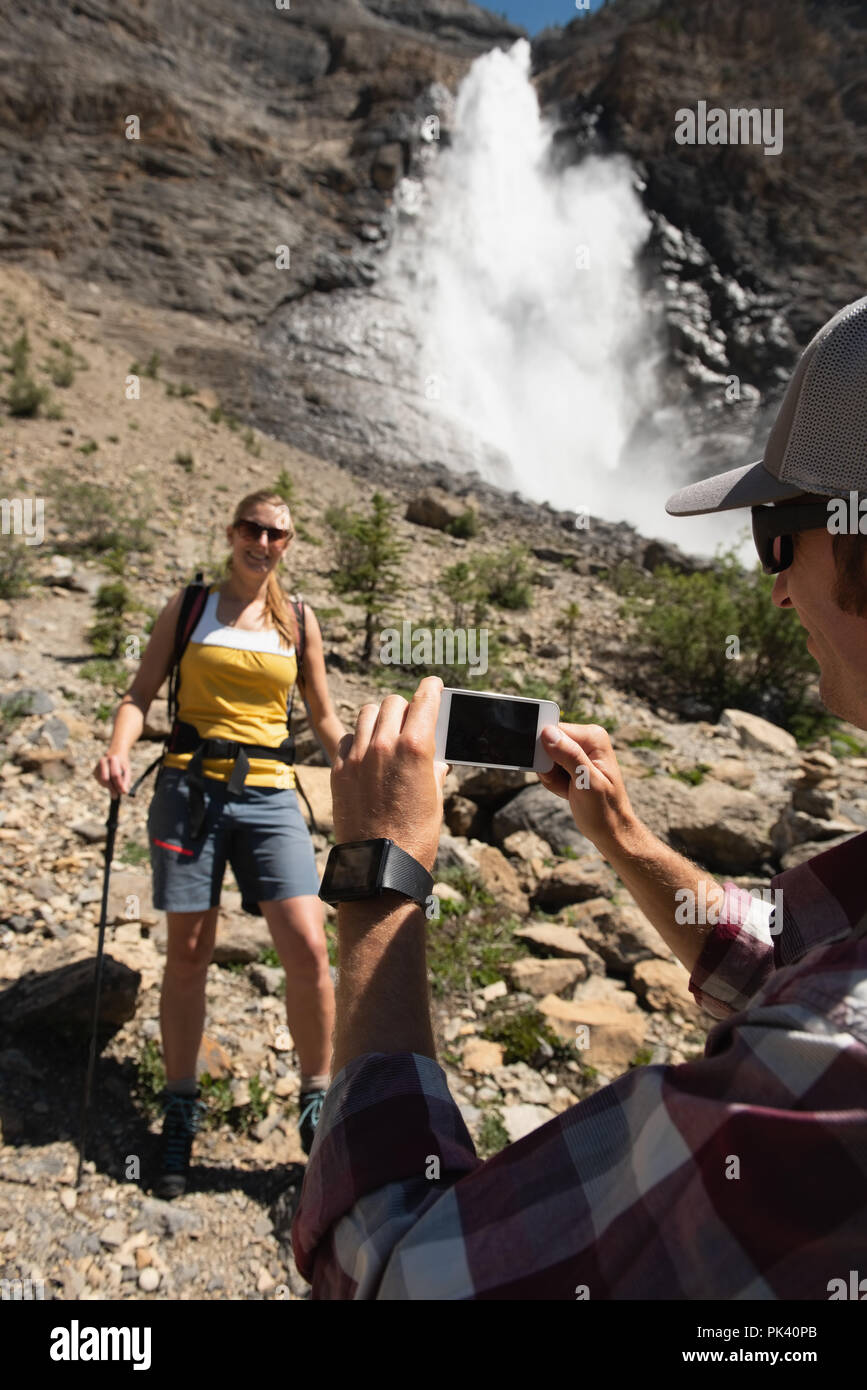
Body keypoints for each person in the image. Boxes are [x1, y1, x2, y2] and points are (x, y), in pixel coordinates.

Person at [291, 295, 867, 1297]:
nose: (775, 585)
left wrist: (379, 885)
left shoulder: (830, 1074)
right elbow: (797, 954)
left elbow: (396, 1272)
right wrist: (626, 836)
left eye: (781, 528)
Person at [95, 490, 346, 1196]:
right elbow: (138, 695)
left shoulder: (298, 620)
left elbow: (321, 717)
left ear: (288, 545)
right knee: (190, 952)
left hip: (269, 794)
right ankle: (180, 1108)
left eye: (278, 535)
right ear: (231, 530)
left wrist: (356, 756)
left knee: (307, 946)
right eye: (252, 528)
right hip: (187, 788)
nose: (263, 543)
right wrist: (118, 751)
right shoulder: (189, 606)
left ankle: (316, 1101)